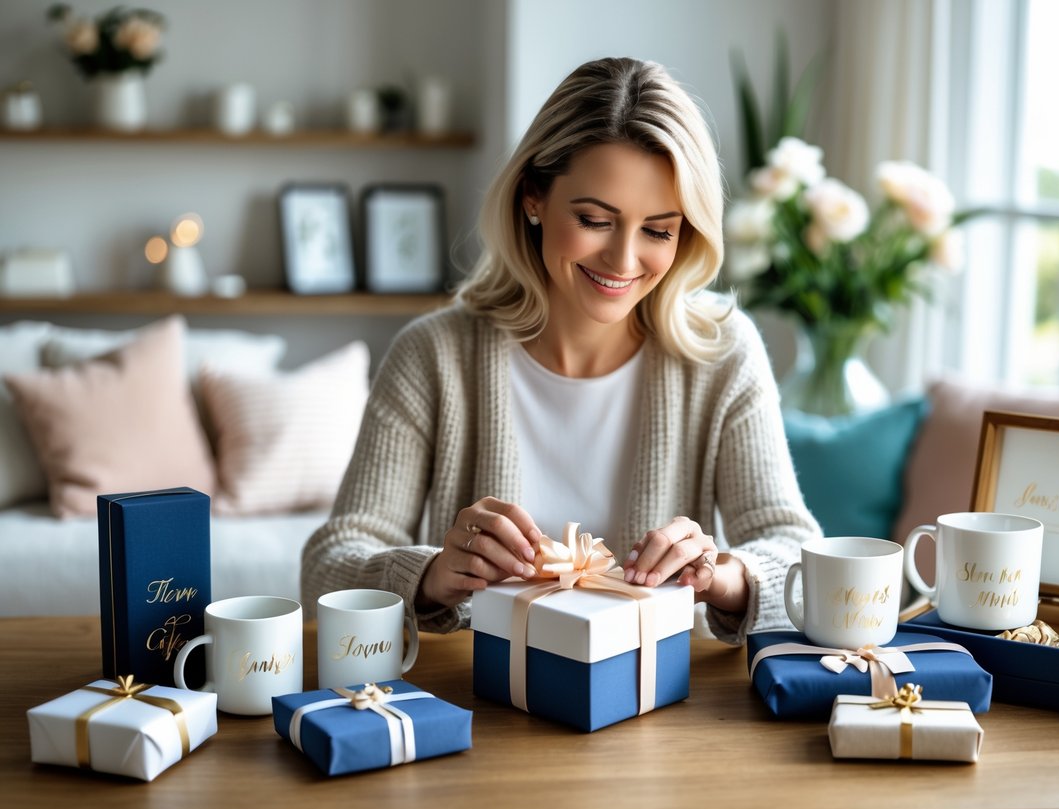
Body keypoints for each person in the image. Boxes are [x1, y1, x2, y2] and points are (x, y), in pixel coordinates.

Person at [302, 57, 819, 643]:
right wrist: (429, 576)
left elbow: (798, 556)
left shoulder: (724, 353)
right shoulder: (433, 355)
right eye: (595, 219)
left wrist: (725, 575)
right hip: (484, 703)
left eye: (658, 230)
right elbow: (326, 567)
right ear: (533, 199)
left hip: (653, 709)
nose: (624, 262)